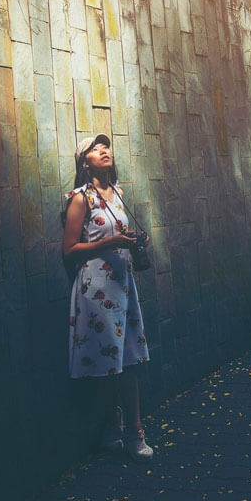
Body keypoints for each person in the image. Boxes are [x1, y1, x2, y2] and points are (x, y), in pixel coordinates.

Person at [62, 133, 154, 460]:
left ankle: (133, 431)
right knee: (108, 362)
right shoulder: (79, 199)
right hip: (96, 288)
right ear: (84, 161)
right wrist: (111, 242)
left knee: (128, 358)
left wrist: (131, 240)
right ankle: (115, 429)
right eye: (94, 149)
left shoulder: (117, 193)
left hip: (122, 283)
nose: (104, 151)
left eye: (106, 147)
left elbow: (117, 235)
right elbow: (70, 249)